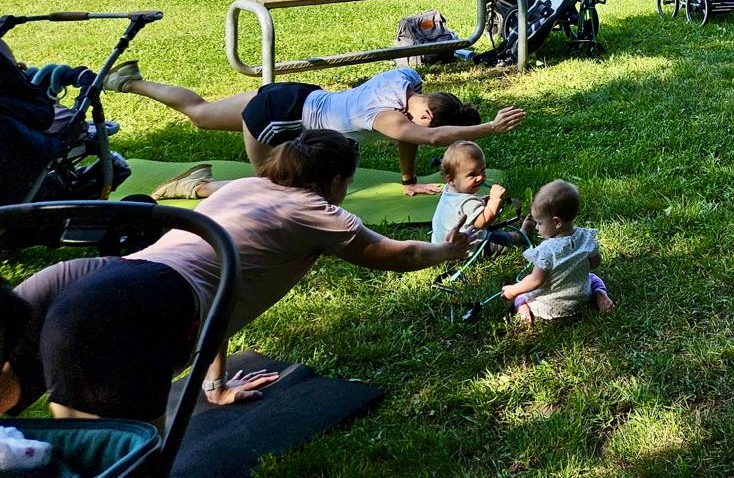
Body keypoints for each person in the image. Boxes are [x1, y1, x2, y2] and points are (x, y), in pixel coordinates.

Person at [0, 131, 472, 425]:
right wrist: (450, 250)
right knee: (118, 453)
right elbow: (400, 253)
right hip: (130, 302)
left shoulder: (247, 186)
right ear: (335, 183)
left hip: (92, 274)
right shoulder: (323, 214)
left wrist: (215, 384)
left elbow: (220, 289)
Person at [103, 61, 525, 197]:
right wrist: (490, 126)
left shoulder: (406, 80)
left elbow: (418, 135)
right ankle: (195, 187)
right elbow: (427, 137)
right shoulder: (385, 119)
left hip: (295, 95)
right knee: (268, 191)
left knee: (200, 113)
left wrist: (409, 179)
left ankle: (128, 80)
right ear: (428, 116)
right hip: (277, 119)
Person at [500, 179, 614, 320]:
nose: (537, 228)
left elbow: (536, 281)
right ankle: (600, 294)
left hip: (548, 306)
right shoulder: (586, 238)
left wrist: (512, 290)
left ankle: (523, 307)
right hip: (582, 297)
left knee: (522, 287)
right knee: (593, 278)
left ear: (557, 222)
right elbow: (595, 263)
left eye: (540, 223)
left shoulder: (546, 251)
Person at [431, 141, 506, 243]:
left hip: (440, 246)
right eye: (472, 174)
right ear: (451, 180)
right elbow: (483, 222)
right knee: (504, 238)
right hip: (464, 248)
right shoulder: (467, 202)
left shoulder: (449, 191)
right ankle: (523, 234)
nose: (480, 177)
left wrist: (482, 202)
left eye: (482, 170)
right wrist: (495, 200)